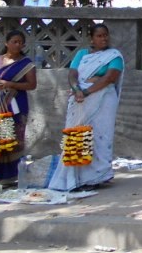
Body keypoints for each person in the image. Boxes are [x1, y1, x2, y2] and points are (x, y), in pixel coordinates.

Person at [48, 24, 124, 191]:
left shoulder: (114, 56)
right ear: (92, 38)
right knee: (76, 136)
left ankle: (98, 176)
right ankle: (76, 177)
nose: (103, 38)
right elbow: (73, 73)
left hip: (103, 100)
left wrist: (87, 92)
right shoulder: (82, 54)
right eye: (99, 36)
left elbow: (109, 77)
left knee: (99, 136)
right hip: (79, 98)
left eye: (105, 35)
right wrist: (77, 89)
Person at [0, 29, 38, 185]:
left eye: (20, 42)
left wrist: (10, 84)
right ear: (6, 43)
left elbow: (32, 85)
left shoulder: (27, 64)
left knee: (12, 137)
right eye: (14, 42)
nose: (17, 45)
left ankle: (9, 176)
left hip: (16, 104)